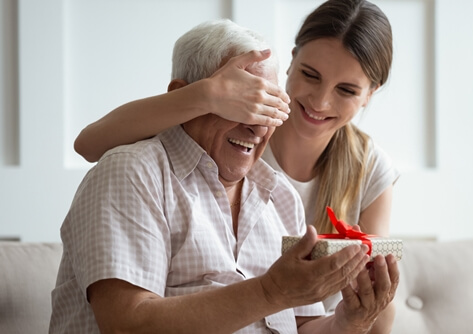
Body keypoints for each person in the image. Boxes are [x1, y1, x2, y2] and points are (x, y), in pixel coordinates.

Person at [50, 19, 398, 334]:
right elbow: (128, 325)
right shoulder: (135, 173)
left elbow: (303, 326)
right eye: (242, 103)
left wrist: (349, 321)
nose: (256, 123)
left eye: (267, 105)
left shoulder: (280, 195)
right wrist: (271, 291)